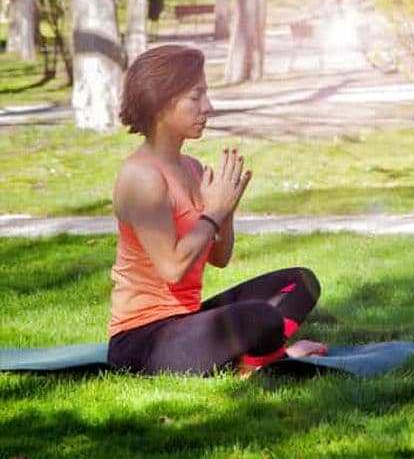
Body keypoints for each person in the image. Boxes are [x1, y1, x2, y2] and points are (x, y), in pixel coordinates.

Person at [108, 44, 327, 375]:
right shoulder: (141, 176)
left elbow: (219, 258)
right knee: (260, 317)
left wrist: (226, 211)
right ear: (160, 104)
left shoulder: (192, 168)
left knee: (300, 282)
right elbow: (172, 268)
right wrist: (213, 213)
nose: (208, 107)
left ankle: (256, 355)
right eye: (196, 97)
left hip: (186, 322)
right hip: (143, 342)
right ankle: (268, 358)